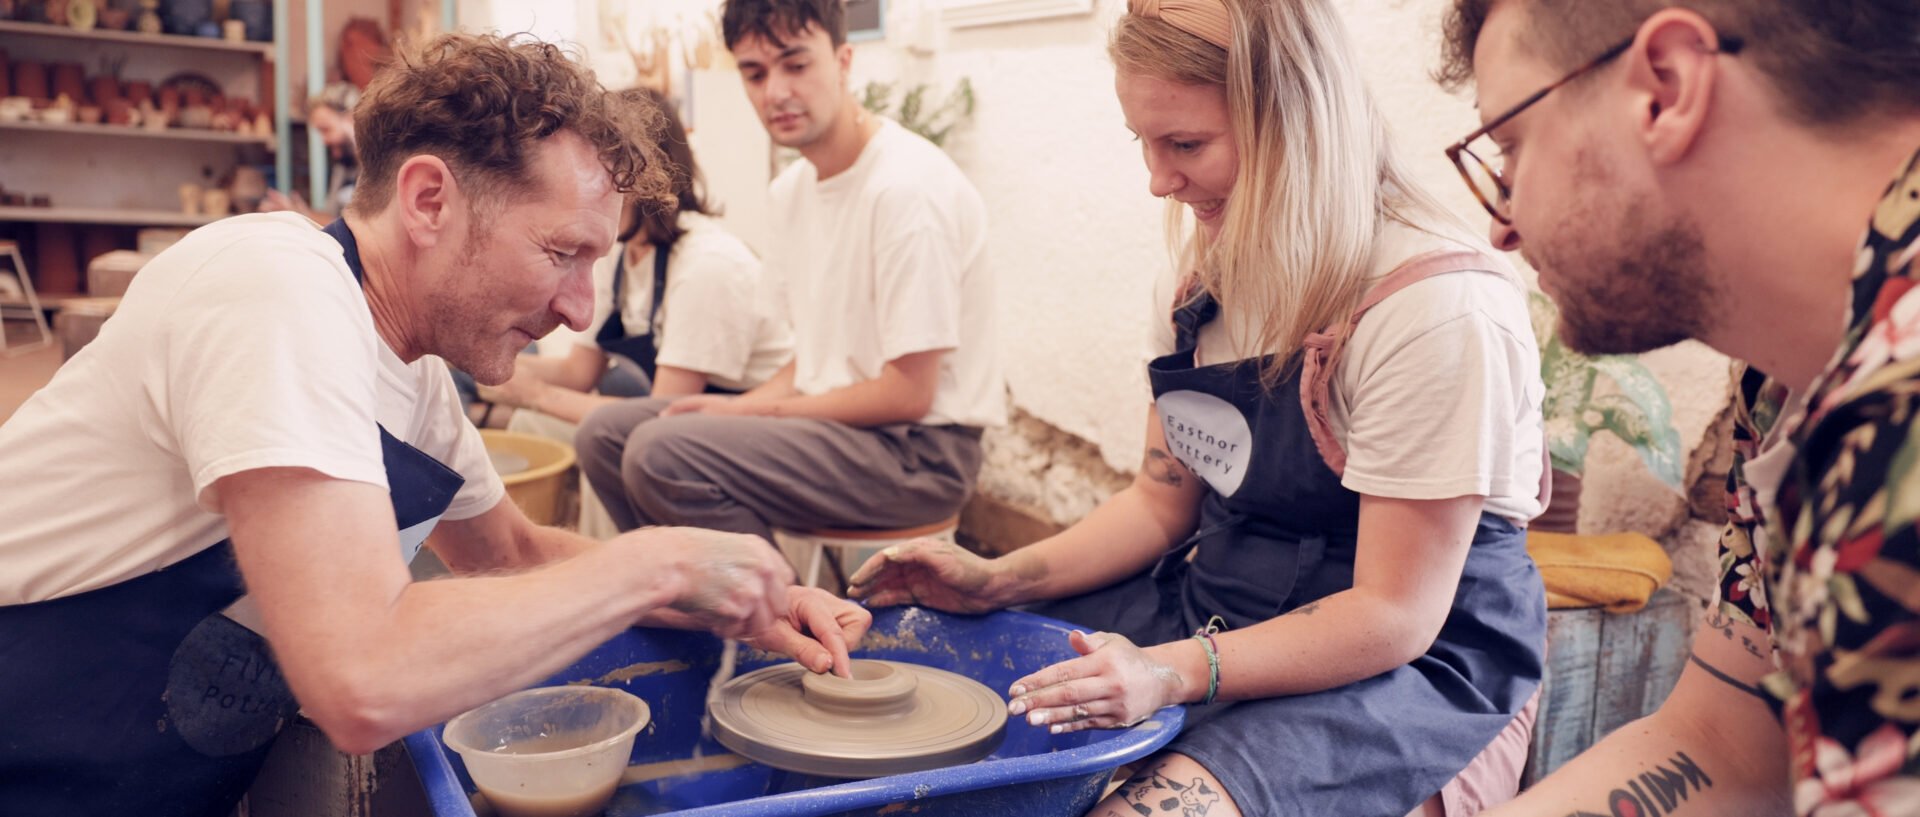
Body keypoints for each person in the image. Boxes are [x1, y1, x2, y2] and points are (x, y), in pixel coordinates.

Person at [0, 33, 867, 816]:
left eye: (594, 264)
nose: (578, 308)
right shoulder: (274, 285)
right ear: (427, 201)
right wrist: (658, 561)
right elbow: (361, 677)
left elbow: (515, 553)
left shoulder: (414, 376)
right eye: (560, 253)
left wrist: (738, 602)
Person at [850, 1, 1548, 814]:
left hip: (1402, 667)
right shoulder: (1196, 285)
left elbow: (1392, 613)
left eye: (1185, 145)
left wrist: (1167, 671)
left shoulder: (1434, 306)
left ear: (1300, 125)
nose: (1158, 181)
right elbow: (1159, 504)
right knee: (937, 697)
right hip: (1216, 608)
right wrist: (995, 580)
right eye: (1143, 143)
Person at [1433, 1, 1920, 814]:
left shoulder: (1894, 424)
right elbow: (1726, 743)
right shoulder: (1785, 391)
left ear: (1665, 89)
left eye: (1511, 145)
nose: (1500, 226)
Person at [574, 0, 1005, 547]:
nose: (775, 92)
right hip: (835, 430)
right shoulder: (791, 193)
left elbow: (909, 394)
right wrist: (740, 408)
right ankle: (687, 590)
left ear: (843, 61)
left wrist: (751, 413)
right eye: (755, 73)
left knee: (662, 452)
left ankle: (773, 600)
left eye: (796, 64)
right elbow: (812, 360)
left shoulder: (907, 189)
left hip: (918, 452)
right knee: (606, 434)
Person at [478, 87, 792, 419]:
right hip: (666, 412)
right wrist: (488, 362)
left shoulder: (709, 267)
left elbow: (664, 414)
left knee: (537, 418)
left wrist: (535, 395)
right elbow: (579, 372)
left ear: (646, 177)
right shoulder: (619, 250)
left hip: (736, 423)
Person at [261, 82, 362, 219]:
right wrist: (301, 214)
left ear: (351, 118)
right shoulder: (342, 167)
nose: (324, 140)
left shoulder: (377, 170)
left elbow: (359, 227)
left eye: (326, 129)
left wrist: (303, 216)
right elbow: (333, 219)